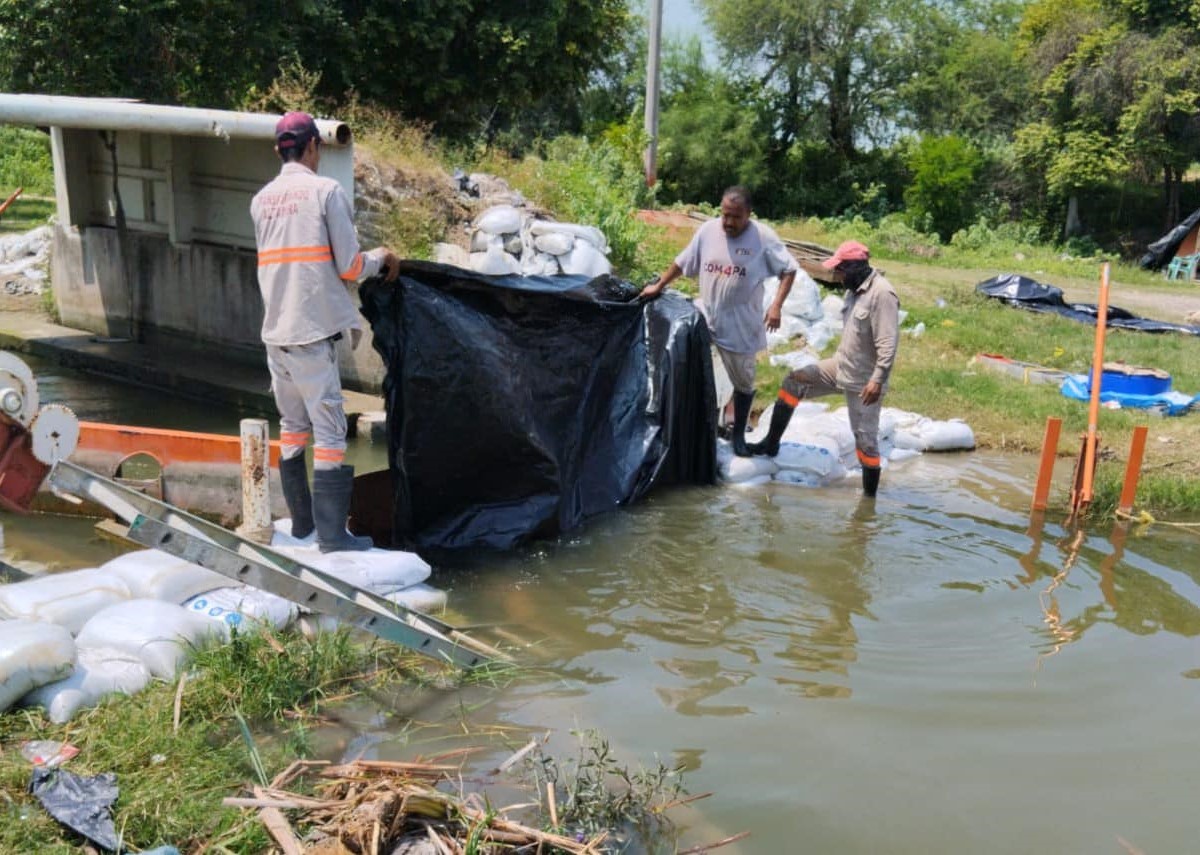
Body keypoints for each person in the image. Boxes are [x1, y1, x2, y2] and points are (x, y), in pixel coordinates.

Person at [250, 111, 400, 552]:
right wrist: (384, 257)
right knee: (332, 433)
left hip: (275, 335)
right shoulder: (325, 192)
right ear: (313, 146)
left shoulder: (261, 200)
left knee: (293, 428)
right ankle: (333, 538)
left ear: (280, 150)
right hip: (311, 335)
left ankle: (302, 527)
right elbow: (351, 266)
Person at [640, 186, 798, 456]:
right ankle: (681, 422)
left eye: (735, 217)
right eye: (725, 215)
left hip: (740, 323)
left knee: (743, 381)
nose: (728, 222)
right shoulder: (709, 231)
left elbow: (789, 269)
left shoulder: (763, 238)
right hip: (707, 314)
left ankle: (737, 434)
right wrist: (661, 285)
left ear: (749, 214)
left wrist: (776, 306)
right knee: (679, 357)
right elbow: (683, 261)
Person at [748, 240, 899, 498]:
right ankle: (770, 444)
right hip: (840, 366)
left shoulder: (882, 294)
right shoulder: (854, 289)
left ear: (856, 266)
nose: (837, 276)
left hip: (864, 382)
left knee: (866, 444)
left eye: (841, 270)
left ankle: (868, 503)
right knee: (794, 382)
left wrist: (877, 380)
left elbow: (888, 343)